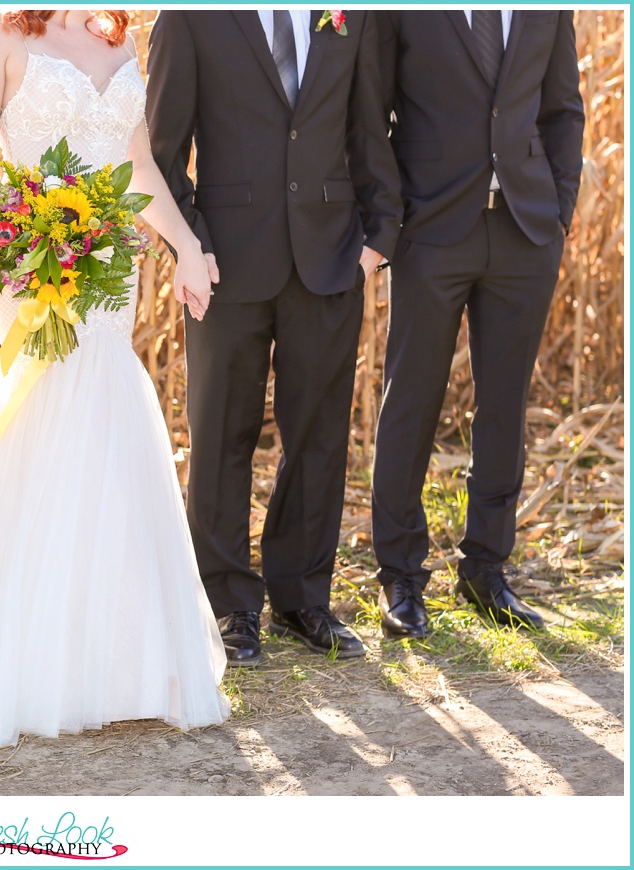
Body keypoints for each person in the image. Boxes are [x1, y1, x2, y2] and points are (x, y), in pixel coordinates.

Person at [0, 9, 230, 747]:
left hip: (109, 266)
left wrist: (186, 245)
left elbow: (136, 162)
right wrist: (32, 243)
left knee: (109, 408)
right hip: (32, 258)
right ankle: (34, 659)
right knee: (49, 414)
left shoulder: (117, 36)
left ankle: (123, 661)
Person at [147, 10, 402, 665]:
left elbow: (370, 127)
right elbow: (162, 150)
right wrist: (191, 245)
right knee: (222, 433)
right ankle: (229, 607)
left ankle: (302, 600)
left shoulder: (349, 16)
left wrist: (377, 241)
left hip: (331, 258)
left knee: (318, 435)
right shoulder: (189, 18)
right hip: (224, 263)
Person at [371, 10, 584, 636]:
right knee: (410, 401)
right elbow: (371, 114)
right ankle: (401, 578)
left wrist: (559, 211)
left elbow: (563, 110)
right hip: (430, 232)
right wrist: (394, 218)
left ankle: (486, 570)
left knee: (504, 406)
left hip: (524, 231)